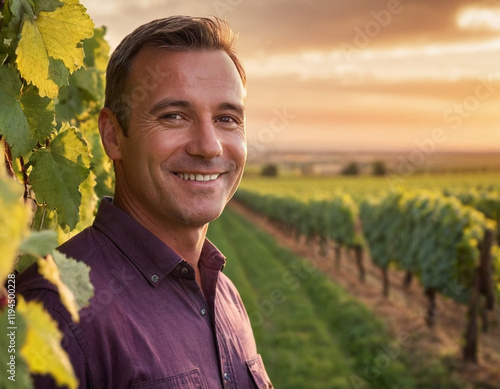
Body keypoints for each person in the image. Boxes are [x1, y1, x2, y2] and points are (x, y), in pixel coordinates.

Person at [17, 16, 273, 388]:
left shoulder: (226, 296)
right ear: (112, 136)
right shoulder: (57, 311)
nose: (209, 146)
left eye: (227, 118)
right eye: (174, 116)